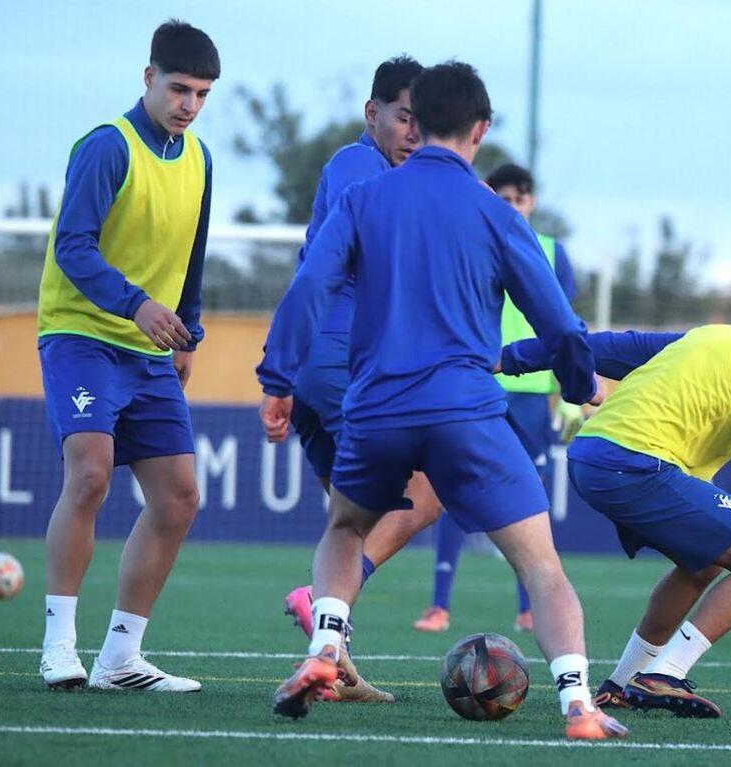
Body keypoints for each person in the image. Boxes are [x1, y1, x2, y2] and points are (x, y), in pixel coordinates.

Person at [256, 61, 628, 740]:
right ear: (480, 129)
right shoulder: (494, 211)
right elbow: (560, 322)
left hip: (375, 412)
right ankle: (578, 703)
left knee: (344, 527)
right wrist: (579, 384)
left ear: (414, 120)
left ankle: (324, 649)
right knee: (541, 565)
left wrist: (277, 379)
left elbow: (308, 287)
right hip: (465, 414)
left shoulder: (366, 199)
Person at [497, 268, 731, 717]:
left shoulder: (717, 339)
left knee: (703, 562)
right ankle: (664, 675)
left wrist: (508, 358)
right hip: (634, 463)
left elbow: (604, 347)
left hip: (593, 456)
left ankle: (621, 684)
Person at [35, 20, 218, 692]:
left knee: (179, 497)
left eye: (201, 93)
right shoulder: (106, 147)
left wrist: (187, 331)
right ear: (149, 79)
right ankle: (59, 646)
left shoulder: (199, 158)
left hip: (149, 350)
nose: (189, 104)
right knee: (91, 475)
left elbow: (193, 254)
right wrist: (139, 304)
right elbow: (74, 247)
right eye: (179, 88)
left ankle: (120, 656)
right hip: (82, 335)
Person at [268, 55, 434, 703]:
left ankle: (331, 658)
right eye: (404, 116)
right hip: (345, 362)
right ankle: (326, 600)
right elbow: (359, 266)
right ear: (374, 115)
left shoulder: (378, 171)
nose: (415, 131)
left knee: (348, 515)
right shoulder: (359, 166)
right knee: (429, 488)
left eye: (426, 120)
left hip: (320, 363)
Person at [413, 163, 577, 635]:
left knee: (529, 496)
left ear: (532, 202)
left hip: (530, 392)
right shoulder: (475, 242)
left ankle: (529, 607)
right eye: (503, 199)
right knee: (451, 489)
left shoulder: (551, 252)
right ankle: (439, 604)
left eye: (519, 199)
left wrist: (568, 391)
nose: (512, 207)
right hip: (478, 385)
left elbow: (564, 319)